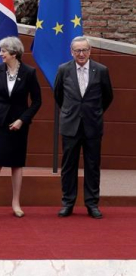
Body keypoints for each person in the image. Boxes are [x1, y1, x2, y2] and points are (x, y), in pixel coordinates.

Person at [0, 36, 42, 219]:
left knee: (16, 163)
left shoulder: (29, 72)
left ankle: (16, 202)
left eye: (4, 51)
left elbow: (37, 101)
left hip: (18, 123)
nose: (1, 54)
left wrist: (22, 120)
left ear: (14, 53)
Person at [54, 36, 114, 219]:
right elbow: (59, 96)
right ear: (71, 52)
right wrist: (72, 111)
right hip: (70, 125)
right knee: (69, 166)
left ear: (90, 51)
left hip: (92, 126)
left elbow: (108, 97)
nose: (81, 54)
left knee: (92, 166)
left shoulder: (101, 70)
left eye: (84, 50)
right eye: (77, 50)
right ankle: (68, 203)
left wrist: (93, 112)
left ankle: (92, 204)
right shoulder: (63, 70)